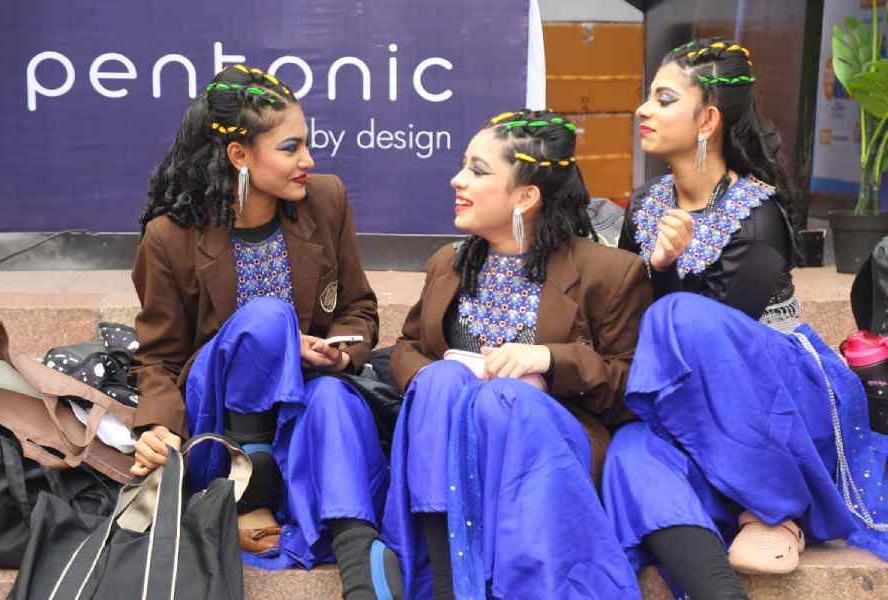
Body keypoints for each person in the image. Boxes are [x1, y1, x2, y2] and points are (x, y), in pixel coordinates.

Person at [606, 39, 888, 600]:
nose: (643, 110)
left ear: (707, 119)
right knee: (631, 453)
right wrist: (653, 267)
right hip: (688, 399)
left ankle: (774, 508)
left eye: (663, 99)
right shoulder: (646, 204)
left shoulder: (758, 213)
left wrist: (665, 274)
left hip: (776, 396)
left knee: (682, 314)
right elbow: (631, 319)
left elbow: (718, 346)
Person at [129, 64, 401, 600]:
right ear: (240, 156)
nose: (309, 161)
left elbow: (358, 309)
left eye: (308, 145)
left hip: (306, 410)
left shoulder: (326, 201)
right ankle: (254, 483)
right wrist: (155, 427)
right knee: (268, 319)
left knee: (333, 400)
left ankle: (360, 560)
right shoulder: (170, 237)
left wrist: (340, 354)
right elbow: (158, 357)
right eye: (291, 148)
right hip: (220, 423)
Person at [382, 109, 652, 599]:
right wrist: (443, 375)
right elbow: (405, 348)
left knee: (504, 397)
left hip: (549, 454)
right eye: (464, 165)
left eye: (477, 171)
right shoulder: (448, 262)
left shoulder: (610, 272)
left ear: (526, 197)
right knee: (443, 382)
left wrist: (549, 361)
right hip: (450, 446)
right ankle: (447, 581)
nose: (457, 180)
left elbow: (631, 390)